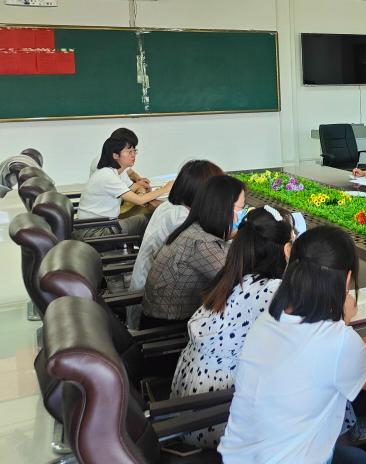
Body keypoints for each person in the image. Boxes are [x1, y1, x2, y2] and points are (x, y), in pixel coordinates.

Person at [217, 226, 366, 464]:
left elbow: (341, 359)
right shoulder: (335, 341)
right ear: (346, 280)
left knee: (360, 461)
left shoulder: (272, 317)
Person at [171, 205, 294, 447]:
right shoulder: (270, 290)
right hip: (218, 414)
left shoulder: (232, 276)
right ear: (285, 249)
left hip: (189, 404)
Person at [128, 159, 224, 327]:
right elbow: (218, 263)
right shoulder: (182, 218)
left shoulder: (171, 207)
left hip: (155, 291)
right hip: (162, 306)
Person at [140, 175, 245, 327]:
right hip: (168, 329)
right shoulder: (202, 243)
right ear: (224, 208)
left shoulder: (195, 226)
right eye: (240, 208)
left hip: (165, 317)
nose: (241, 214)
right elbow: (239, 281)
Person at [76, 135, 173, 239]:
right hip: (93, 231)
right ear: (115, 155)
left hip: (99, 225)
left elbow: (133, 189)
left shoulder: (115, 171)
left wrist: (146, 192)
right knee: (149, 221)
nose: (133, 155)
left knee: (146, 217)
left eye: (134, 151)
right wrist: (166, 188)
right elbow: (139, 200)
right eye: (129, 152)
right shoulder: (107, 176)